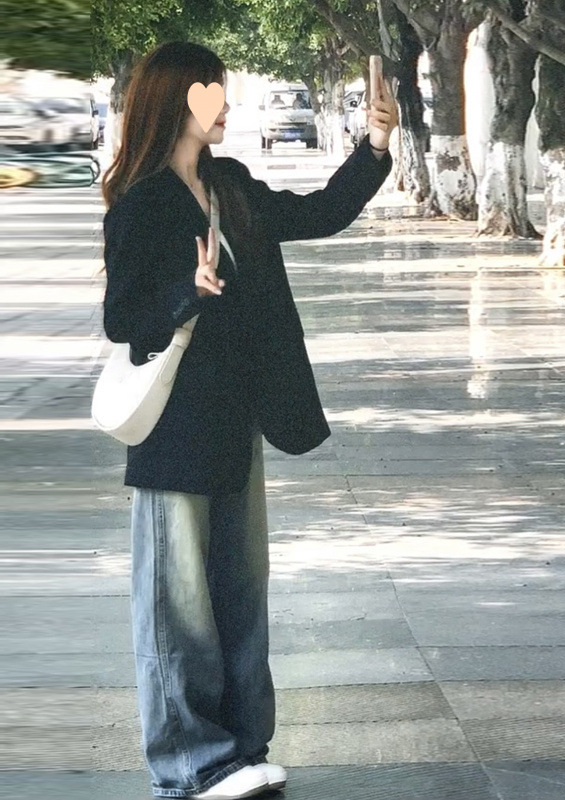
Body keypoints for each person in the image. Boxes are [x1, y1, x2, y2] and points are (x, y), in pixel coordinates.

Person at [100, 41, 398, 800]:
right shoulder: (142, 203)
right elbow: (123, 319)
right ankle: (191, 765)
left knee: (238, 593)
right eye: (211, 92)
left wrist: (374, 147)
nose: (224, 105)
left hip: (236, 418)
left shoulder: (228, 185)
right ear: (176, 102)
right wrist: (188, 292)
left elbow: (318, 213)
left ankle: (241, 749)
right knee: (177, 608)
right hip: (173, 430)